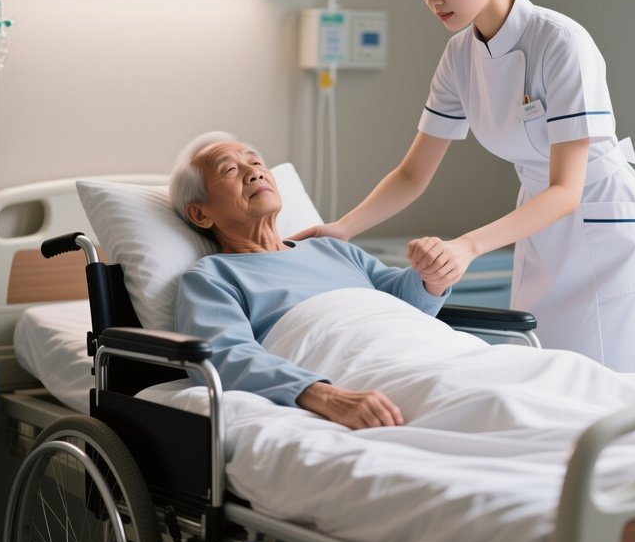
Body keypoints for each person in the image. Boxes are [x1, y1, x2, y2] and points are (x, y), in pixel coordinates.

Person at [293, 0, 635, 378]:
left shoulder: (560, 42)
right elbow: (412, 174)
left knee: (620, 397)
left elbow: (566, 191)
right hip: (541, 233)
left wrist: (466, 246)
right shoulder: (459, 56)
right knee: (550, 386)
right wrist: (341, 229)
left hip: (606, 232)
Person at [169, 131, 451, 430]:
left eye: (257, 163)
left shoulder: (333, 248)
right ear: (200, 214)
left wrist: (432, 273)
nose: (254, 172)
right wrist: (326, 397)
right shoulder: (213, 277)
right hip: (355, 375)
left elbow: (404, 305)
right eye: (229, 170)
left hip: (429, 354)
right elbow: (226, 357)